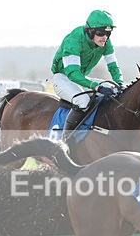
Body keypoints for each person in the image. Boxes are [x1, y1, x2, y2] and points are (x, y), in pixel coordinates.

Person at [51, 10, 124, 139]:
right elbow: (72, 73)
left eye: (108, 33)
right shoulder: (73, 40)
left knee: (112, 87)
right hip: (63, 78)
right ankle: (64, 141)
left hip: (81, 78)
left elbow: (113, 66)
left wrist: (119, 83)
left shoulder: (105, 43)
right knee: (82, 100)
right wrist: (95, 86)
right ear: (90, 31)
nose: (105, 37)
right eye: (101, 33)